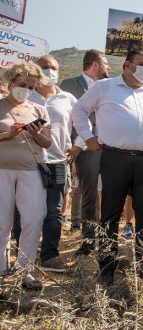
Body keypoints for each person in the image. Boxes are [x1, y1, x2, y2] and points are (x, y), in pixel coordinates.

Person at [72, 50, 143, 285]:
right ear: (127, 65)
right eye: (142, 64)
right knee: (110, 214)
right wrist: (88, 137)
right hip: (115, 158)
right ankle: (106, 268)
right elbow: (79, 110)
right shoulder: (104, 87)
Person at [0, 61, 52, 289]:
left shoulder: (38, 109)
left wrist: (37, 134)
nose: (28, 90)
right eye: (23, 85)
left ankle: (25, 270)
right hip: (1, 170)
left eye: (32, 87)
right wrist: (6, 134)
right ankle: (1, 270)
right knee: (2, 223)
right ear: (11, 82)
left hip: (31, 169)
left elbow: (48, 143)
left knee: (34, 218)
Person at [27, 55, 77, 272]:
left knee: (54, 211)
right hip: (30, 161)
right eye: (44, 68)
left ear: (59, 71)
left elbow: (82, 124)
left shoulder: (68, 99)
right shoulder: (26, 97)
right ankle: (25, 257)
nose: (49, 71)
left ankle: (49, 256)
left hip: (58, 161)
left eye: (53, 68)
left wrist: (78, 146)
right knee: (27, 210)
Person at [60, 49, 111, 254]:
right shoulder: (69, 85)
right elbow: (72, 117)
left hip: (109, 147)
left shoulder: (110, 86)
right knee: (89, 195)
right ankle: (89, 241)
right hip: (84, 149)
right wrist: (80, 143)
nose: (109, 68)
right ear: (95, 64)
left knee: (110, 194)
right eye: (106, 64)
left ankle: (108, 240)